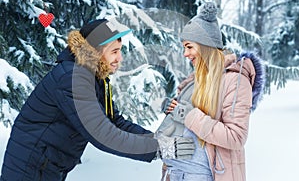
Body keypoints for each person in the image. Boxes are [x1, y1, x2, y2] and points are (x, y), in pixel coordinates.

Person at [0, 18, 196, 181]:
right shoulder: (72, 78)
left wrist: (159, 141)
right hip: (29, 169)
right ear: (95, 51)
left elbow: (114, 122)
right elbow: (104, 134)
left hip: (46, 167)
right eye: (114, 51)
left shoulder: (91, 77)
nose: (120, 58)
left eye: (120, 51)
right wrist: (161, 148)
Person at [157, 2, 265, 181]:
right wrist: (172, 111)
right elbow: (176, 136)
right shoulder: (194, 81)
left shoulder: (235, 81)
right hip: (174, 173)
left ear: (205, 45)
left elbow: (236, 137)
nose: (185, 53)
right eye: (184, 47)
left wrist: (188, 115)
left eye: (189, 47)